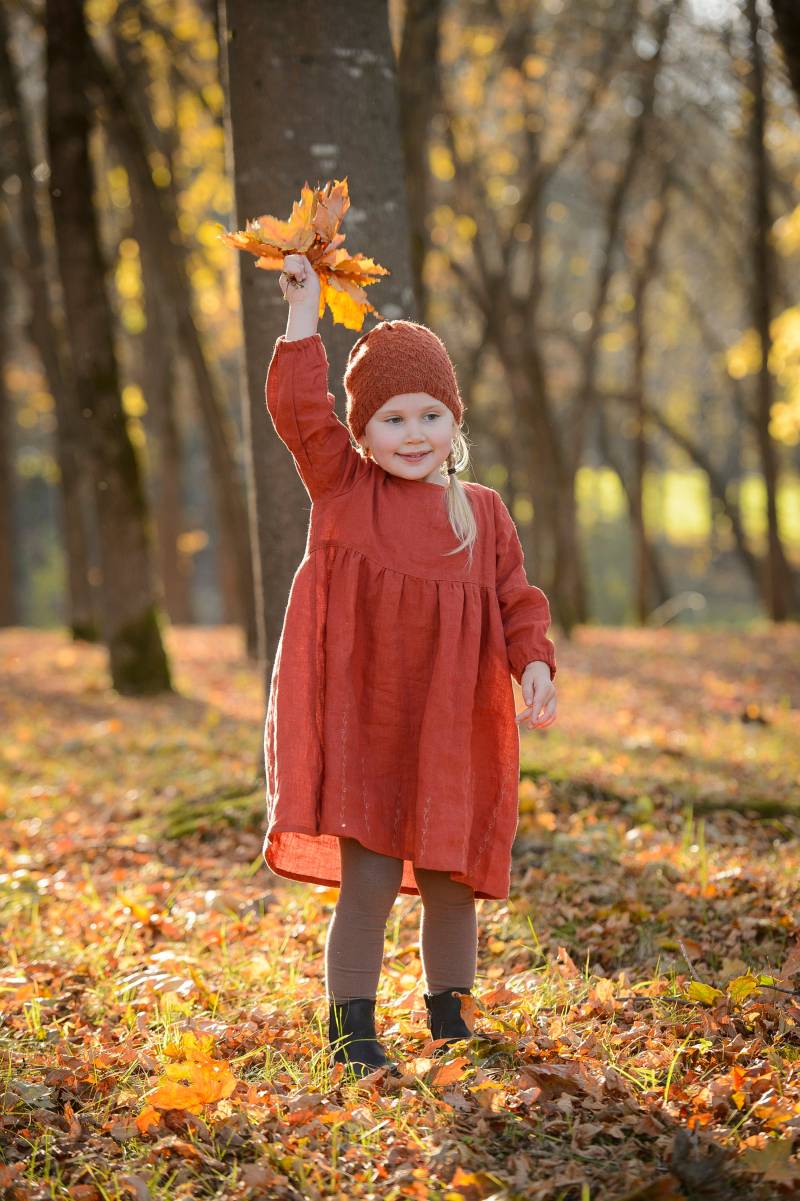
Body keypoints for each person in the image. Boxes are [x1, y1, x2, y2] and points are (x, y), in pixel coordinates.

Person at [263, 252, 557, 1080]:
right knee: (368, 877)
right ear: (362, 433)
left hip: (450, 725)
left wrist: (535, 663)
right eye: (392, 418)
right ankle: (351, 1025)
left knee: (449, 876)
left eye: (431, 414)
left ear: (455, 424)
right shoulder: (344, 491)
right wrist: (302, 317)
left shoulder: (483, 512)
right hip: (364, 719)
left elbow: (517, 599)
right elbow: (296, 410)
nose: (415, 433)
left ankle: (450, 1017)